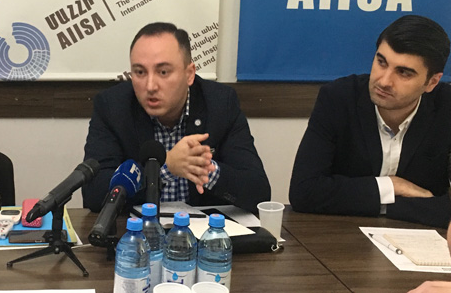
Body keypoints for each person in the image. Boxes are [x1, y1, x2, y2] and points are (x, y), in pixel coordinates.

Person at [82, 22, 270, 213]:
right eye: (140, 72)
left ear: (189, 74)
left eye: (163, 72)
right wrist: (165, 167)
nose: (150, 86)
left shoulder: (220, 104)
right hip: (137, 229)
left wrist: (202, 168)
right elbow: (93, 194)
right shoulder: (112, 107)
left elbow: (259, 192)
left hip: (204, 229)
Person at [289, 15, 451, 228]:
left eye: (403, 72)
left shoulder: (446, 108)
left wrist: (376, 201)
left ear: (432, 82)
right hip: (341, 237)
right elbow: (304, 192)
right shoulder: (338, 98)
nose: (384, 81)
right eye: (381, 62)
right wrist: (392, 187)